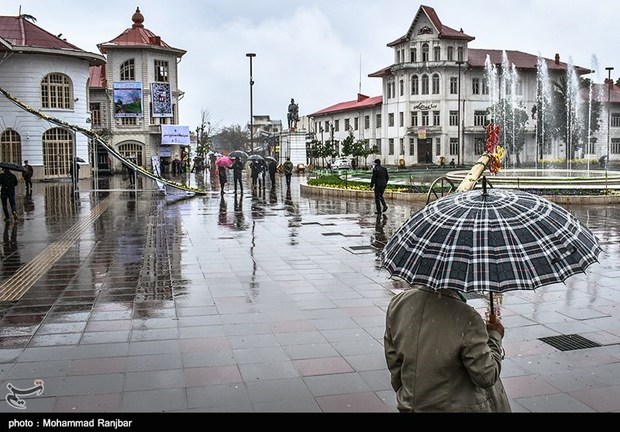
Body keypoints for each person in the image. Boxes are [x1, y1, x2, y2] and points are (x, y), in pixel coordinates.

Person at [384, 286, 511, 412]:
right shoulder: (467, 316)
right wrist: (494, 336)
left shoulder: (398, 305)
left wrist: (409, 395)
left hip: (411, 406)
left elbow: (395, 365)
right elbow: (486, 377)